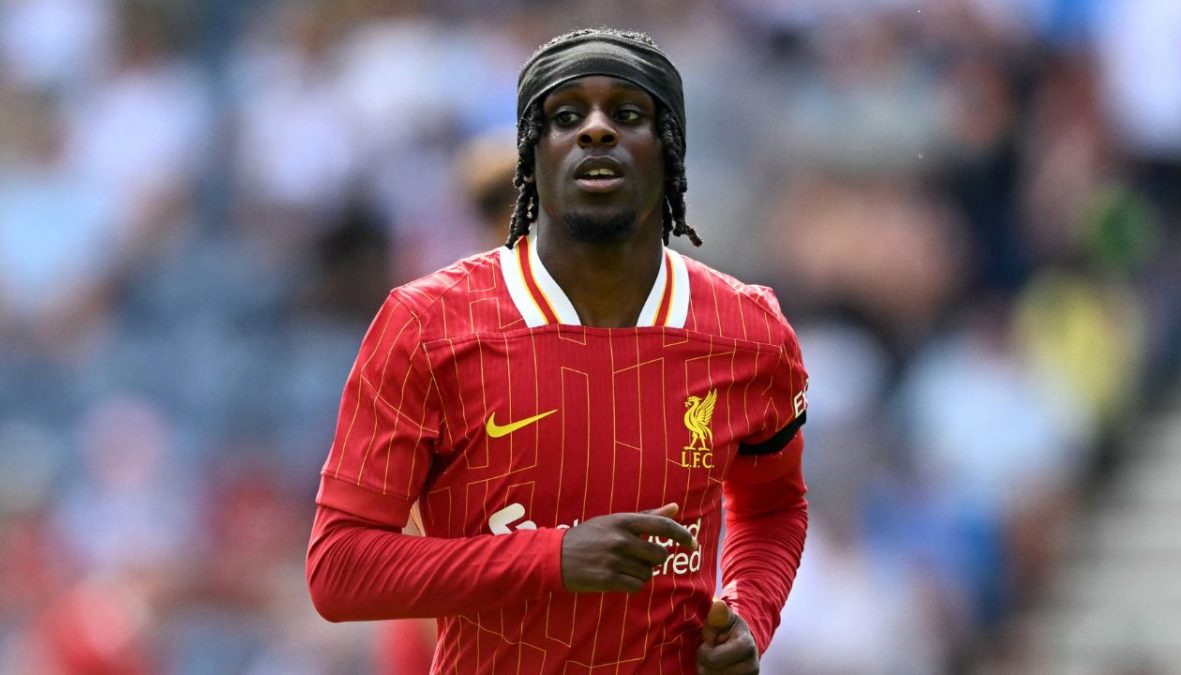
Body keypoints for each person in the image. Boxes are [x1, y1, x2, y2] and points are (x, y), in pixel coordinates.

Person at [306, 27, 810, 674]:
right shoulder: (426, 325)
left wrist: (749, 613)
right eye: (565, 116)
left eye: (628, 114)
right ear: (530, 155)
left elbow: (773, 506)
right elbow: (338, 569)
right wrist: (555, 557)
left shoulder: (750, 331)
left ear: (671, 150)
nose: (596, 130)